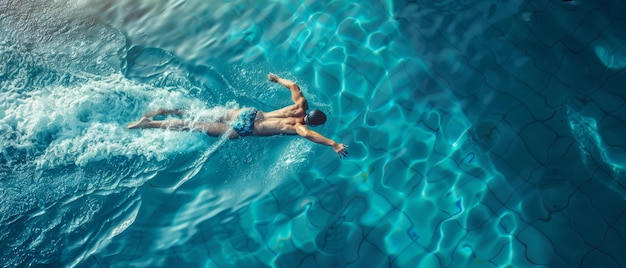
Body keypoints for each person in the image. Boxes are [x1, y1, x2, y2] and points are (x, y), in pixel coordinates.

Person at [127, 73, 349, 158]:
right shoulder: (297, 127)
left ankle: (164, 111)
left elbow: (294, 84)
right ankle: (148, 124)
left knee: (200, 113)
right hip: (243, 130)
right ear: (312, 122)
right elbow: (310, 136)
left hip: (248, 113)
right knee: (193, 125)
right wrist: (333, 143)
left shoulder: (300, 106)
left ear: (310, 111)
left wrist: (276, 79)